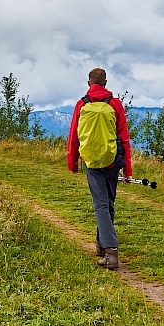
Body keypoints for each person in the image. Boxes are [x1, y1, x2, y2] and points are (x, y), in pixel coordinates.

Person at [67, 67, 132, 270]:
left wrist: (73, 162)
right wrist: (128, 170)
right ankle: (101, 245)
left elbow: (74, 137)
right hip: (113, 161)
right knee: (108, 204)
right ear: (105, 83)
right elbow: (125, 139)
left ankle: (111, 251)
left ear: (89, 83)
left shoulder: (81, 104)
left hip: (91, 162)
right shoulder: (115, 104)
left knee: (101, 205)